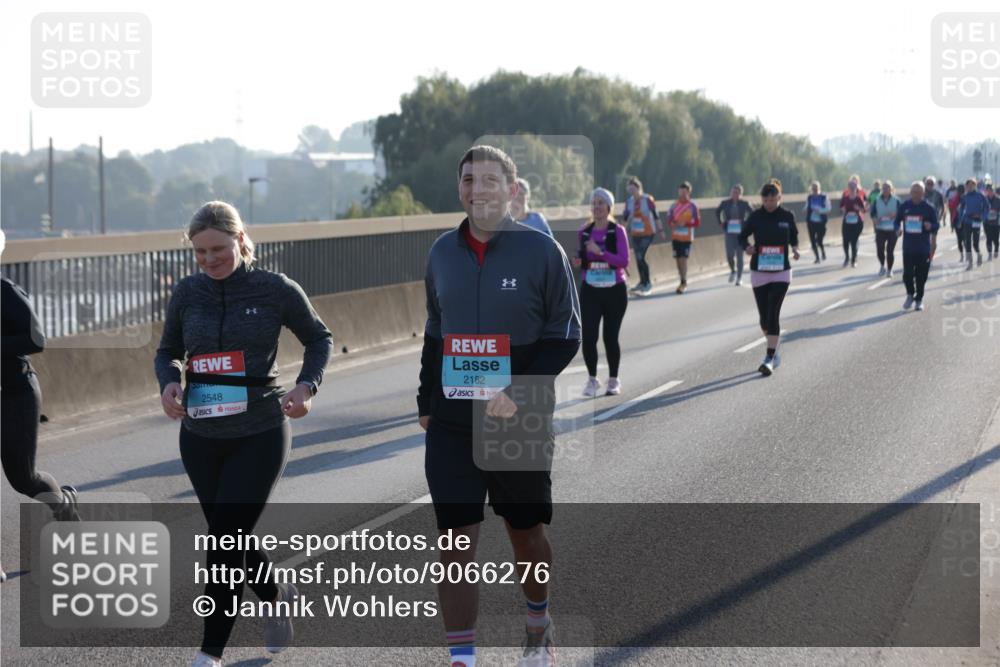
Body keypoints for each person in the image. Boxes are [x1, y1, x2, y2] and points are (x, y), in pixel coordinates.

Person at [417, 145, 581, 667]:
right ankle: (461, 659)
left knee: (525, 532)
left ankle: (538, 625)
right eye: (469, 179)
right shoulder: (442, 252)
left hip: (519, 416)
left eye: (490, 180)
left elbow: (565, 334)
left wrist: (522, 391)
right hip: (452, 420)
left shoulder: (541, 252)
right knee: (455, 543)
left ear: (512, 190)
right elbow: (435, 332)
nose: (478, 189)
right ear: (459, 189)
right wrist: (426, 398)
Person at [154, 201, 333, 667]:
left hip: (260, 429)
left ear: (240, 239)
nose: (209, 260)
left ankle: (209, 653)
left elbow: (319, 337)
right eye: (200, 253)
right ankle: (277, 595)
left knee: (224, 539)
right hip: (200, 435)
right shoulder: (188, 292)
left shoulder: (274, 288)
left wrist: (306, 385)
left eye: (217, 249)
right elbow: (168, 349)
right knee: (227, 532)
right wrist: (170, 379)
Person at [1, 275, 81, 539]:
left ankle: (62, 503)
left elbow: (36, 340)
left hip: (14, 394)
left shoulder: (6, 291)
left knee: (23, 479)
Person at [573, 188, 630, 397]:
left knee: (610, 337)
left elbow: (624, 261)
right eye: (594, 203)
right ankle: (592, 379)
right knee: (588, 336)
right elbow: (582, 259)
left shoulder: (618, 231)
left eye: (601, 203)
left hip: (615, 290)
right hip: (591, 290)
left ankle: (613, 379)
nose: (596, 207)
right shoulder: (584, 231)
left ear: (609, 207)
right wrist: (578, 261)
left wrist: (601, 253)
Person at [739, 179, 800, 376]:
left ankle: (769, 357)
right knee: (764, 319)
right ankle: (774, 347)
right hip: (760, 270)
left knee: (774, 311)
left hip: (781, 271)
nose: (770, 204)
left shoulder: (787, 216)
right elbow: (742, 236)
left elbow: (794, 235)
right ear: (762, 200)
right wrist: (747, 247)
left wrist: (795, 248)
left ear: (779, 198)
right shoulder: (756, 216)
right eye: (766, 201)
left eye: (773, 200)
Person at [894, 181, 940, 311]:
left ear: (923, 193)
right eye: (914, 192)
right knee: (907, 274)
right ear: (910, 193)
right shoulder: (904, 206)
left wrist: (930, 226)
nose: (916, 194)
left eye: (919, 192)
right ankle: (910, 294)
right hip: (908, 247)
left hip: (923, 248)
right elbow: (896, 222)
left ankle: (919, 299)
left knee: (921, 276)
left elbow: (936, 225)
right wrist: (897, 230)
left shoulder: (929, 208)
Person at [622, 176, 664, 295]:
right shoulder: (629, 202)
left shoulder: (648, 200)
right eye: (630, 191)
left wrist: (660, 230)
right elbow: (625, 218)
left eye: (633, 190)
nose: (632, 193)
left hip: (648, 232)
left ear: (639, 188)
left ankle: (647, 283)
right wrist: (621, 232)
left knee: (641, 256)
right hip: (635, 233)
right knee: (638, 257)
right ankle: (642, 282)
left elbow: (656, 216)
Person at [665, 181, 701, 294]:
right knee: (677, 260)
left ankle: (683, 282)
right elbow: (669, 219)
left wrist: (686, 224)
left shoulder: (692, 206)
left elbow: (697, 222)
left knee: (683, 259)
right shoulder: (674, 205)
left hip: (687, 237)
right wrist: (673, 224)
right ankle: (682, 279)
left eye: (685, 192)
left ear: (689, 192)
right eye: (681, 192)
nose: (683, 194)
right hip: (676, 236)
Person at [715, 184, 754, 285]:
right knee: (729, 255)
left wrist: (745, 223)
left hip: (741, 233)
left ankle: (739, 278)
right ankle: (733, 271)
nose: (734, 194)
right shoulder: (725, 203)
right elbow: (717, 211)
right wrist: (721, 222)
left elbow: (753, 214)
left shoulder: (745, 203)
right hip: (729, 232)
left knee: (740, 256)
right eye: (733, 192)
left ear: (741, 194)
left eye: (737, 193)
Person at [870, 181, 901, 277]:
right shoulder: (877, 200)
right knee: (879, 250)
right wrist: (875, 219)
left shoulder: (896, 200)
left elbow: (902, 213)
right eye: (883, 188)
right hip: (880, 228)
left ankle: (889, 269)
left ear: (891, 189)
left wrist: (895, 215)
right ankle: (882, 266)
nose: (885, 190)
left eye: (887, 188)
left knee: (890, 250)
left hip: (893, 228)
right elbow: (872, 213)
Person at [958, 177, 990, 270]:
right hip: (967, 220)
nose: (970, 187)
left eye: (972, 185)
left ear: (975, 186)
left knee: (975, 244)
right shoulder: (964, 196)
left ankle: (979, 254)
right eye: (968, 185)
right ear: (966, 187)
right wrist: (960, 220)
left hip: (976, 221)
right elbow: (961, 209)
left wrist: (982, 216)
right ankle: (970, 263)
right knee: (967, 242)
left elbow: (987, 207)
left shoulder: (980, 196)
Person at [839, 180, 867, 267]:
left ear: (856, 188)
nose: (851, 189)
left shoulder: (858, 198)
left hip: (856, 222)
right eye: (850, 187)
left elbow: (864, 210)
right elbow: (841, 206)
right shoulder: (845, 198)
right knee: (845, 241)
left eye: (853, 187)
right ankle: (847, 257)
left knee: (854, 242)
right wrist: (843, 210)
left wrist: (858, 208)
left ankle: (854, 260)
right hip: (847, 222)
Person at [803, 181, 832, 263]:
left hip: (821, 222)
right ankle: (817, 258)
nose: (815, 190)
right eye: (813, 188)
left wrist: (820, 210)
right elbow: (807, 206)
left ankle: (823, 252)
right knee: (812, 240)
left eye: (816, 188)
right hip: (811, 221)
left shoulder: (824, 197)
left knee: (819, 240)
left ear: (819, 188)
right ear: (811, 189)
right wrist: (805, 209)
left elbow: (828, 208)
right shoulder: (809, 197)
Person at [985, 183, 1000, 260]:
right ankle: (990, 253)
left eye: (991, 190)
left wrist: (996, 212)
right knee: (988, 238)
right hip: (987, 222)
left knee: (995, 239)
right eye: (988, 190)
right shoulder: (984, 199)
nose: (990, 192)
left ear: (993, 191)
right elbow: (982, 209)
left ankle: (996, 250)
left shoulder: (998, 199)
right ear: (987, 191)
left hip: (996, 222)